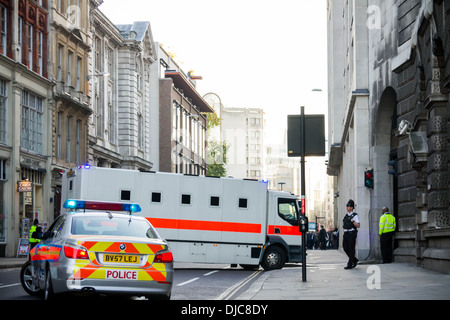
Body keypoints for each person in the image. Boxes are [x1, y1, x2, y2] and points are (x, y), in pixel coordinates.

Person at [343, 199, 360, 269]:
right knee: (345, 248)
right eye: (347, 206)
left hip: (351, 233)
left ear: (352, 207)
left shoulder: (355, 215)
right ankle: (354, 259)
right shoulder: (346, 216)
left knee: (351, 249)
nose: (347, 207)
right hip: (346, 233)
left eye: (349, 206)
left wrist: (353, 221)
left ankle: (350, 264)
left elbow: (358, 225)